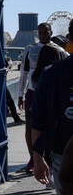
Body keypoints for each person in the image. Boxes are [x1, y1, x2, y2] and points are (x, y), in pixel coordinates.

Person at [30, 18, 73, 195]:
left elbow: (39, 119)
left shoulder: (54, 73)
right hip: (62, 157)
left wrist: (37, 156)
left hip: (64, 158)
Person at [18, 23, 64, 171]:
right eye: (41, 33)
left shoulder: (59, 51)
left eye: (46, 32)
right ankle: (33, 158)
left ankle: (49, 158)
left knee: (50, 125)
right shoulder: (30, 49)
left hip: (52, 93)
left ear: (51, 32)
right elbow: (23, 73)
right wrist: (20, 94)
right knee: (30, 126)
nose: (43, 35)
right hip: (32, 91)